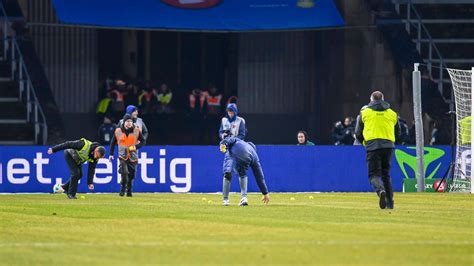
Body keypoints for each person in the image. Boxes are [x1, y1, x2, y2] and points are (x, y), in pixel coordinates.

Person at [355, 91, 400, 209]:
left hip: (372, 146)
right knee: (386, 175)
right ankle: (390, 203)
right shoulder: (392, 113)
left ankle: (380, 191)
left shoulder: (364, 113)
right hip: (388, 146)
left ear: (371, 100)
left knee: (373, 175)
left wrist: (366, 143)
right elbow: (399, 132)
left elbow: (358, 133)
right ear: (383, 99)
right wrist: (390, 141)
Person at [219, 136, 270, 205]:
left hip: (235, 153)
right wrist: (265, 193)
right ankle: (244, 198)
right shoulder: (255, 156)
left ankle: (225, 200)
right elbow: (259, 177)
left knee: (227, 174)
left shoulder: (240, 141)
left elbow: (230, 139)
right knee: (242, 175)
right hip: (247, 159)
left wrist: (224, 143)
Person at [109, 114, 146, 197]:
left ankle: (129, 190)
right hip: (123, 156)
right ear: (124, 122)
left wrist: (136, 147)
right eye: (128, 121)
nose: (129, 123)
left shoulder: (136, 131)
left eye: (131, 121)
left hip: (133, 156)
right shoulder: (118, 131)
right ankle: (123, 188)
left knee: (132, 175)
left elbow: (143, 141)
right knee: (124, 173)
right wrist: (111, 154)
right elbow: (113, 142)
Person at [218, 103, 248, 206]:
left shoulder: (240, 121)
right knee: (227, 173)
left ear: (235, 112)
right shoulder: (224, 120)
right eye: (228, 111)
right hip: (229, 150)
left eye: (232, 112)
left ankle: (244, 197)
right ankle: (225, 199)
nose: (230, 113)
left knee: (241, 172)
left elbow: (242, 135)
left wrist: (232, 139)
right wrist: (223, 136)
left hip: (239, 149)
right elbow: (220, 132)